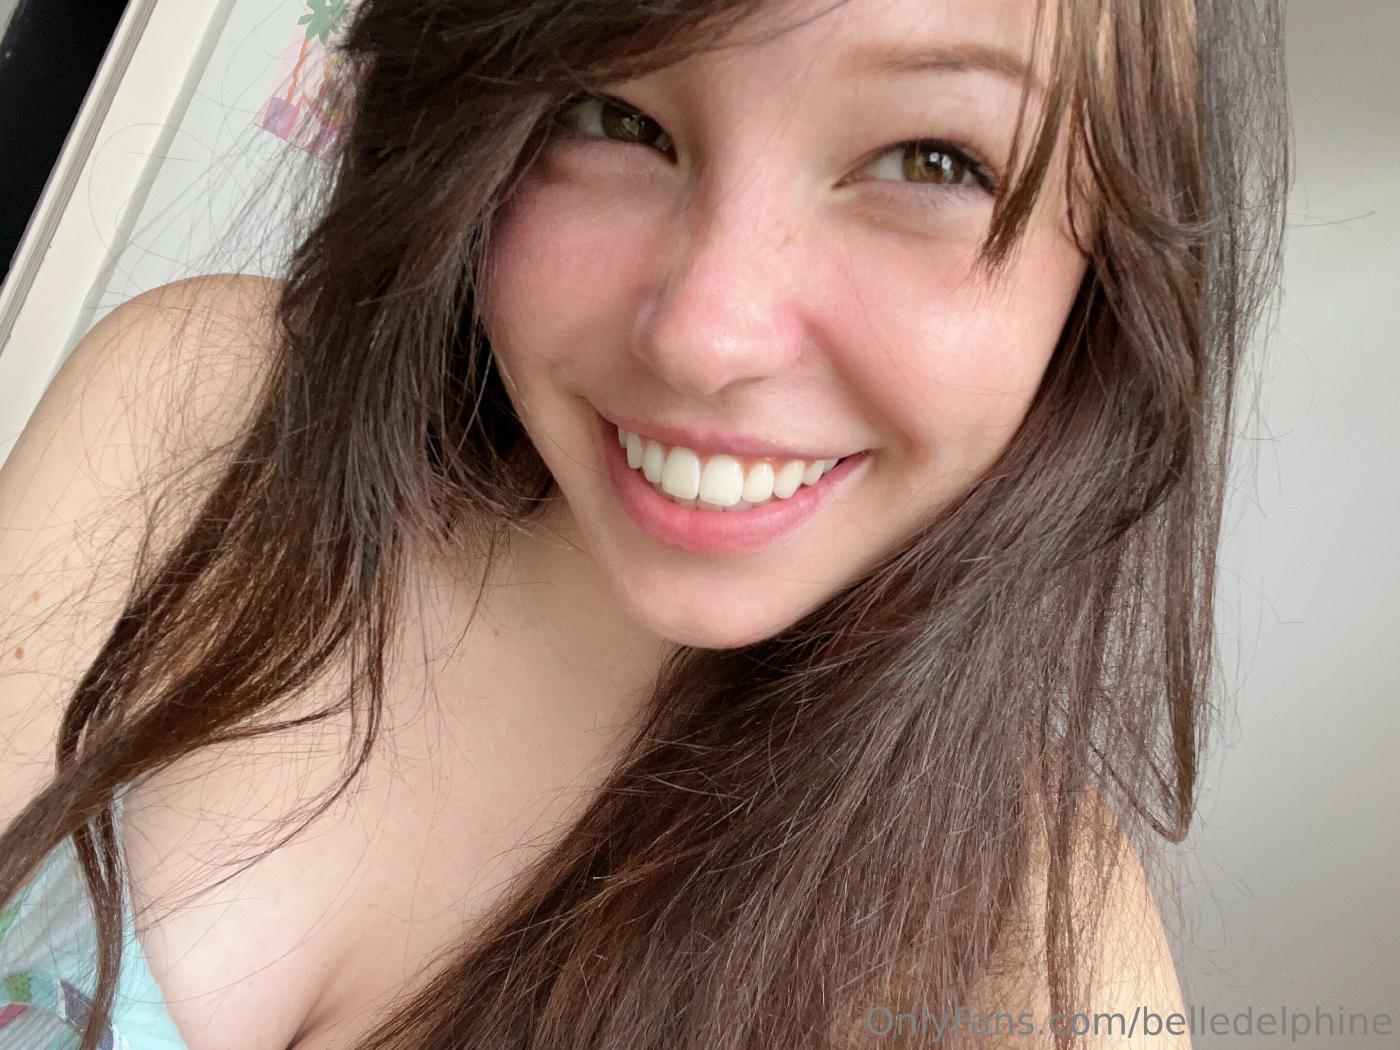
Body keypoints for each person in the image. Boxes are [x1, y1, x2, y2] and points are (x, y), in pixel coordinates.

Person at [0, 0, 1289, 1047]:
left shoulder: (1041, 968)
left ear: (1118, 263)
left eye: (931, 161)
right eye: (615, 115)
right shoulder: (200, 416)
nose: (704, 335)